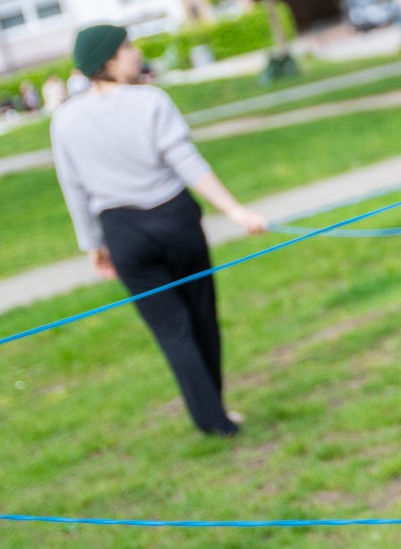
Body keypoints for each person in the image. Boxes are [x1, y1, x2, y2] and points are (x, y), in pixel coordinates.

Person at [50, 24, 268, 437]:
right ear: (108, 60)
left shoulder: (65, 120)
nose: (136, 53)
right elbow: (187, 162)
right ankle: (216, 414)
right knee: (200, 317)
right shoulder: (151, 100)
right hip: (175, 222)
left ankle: (212, 420)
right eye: (127, 47)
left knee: (172, 330)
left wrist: (93, 245)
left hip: (123, 234)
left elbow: (73, 188)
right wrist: (235, 211)